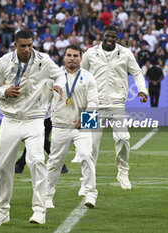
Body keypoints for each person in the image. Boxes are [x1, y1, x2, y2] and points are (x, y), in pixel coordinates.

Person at [0, 30, 65, 226]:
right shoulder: (4, 61)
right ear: (15, 45)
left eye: (30, 45)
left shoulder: (43, 60)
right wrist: (4, 91)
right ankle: (2, 210)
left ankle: (39, 210)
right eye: (23, 46)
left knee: (36, 161)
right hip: (11, 119)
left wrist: (59, 86)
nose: (27, 49)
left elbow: (60, 75)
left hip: (35, 119)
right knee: (3, 166)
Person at [81, 25, 147, 191]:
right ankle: (86, 180)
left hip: (116, 103)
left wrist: (141, 89)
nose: (110, 40)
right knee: (90, 145)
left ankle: (123, 171)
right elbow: (80, 75)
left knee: (123, 137)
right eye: (107, 37)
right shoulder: (90, 53)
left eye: (113, 37)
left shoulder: (125, 53)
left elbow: (137, 73)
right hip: (92, 104)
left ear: (117, 39)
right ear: (101, 36)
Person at [46, 44, 99, 209]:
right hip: (60, 125)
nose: (72, 59)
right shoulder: (55, 76)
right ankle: (47, 196)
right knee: (55, 162)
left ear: (81, 58)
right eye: (69, 55)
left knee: (86, 156)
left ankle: (90, 193)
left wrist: (84, 119)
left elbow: (94, 102)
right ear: (64, 57)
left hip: (81, 126)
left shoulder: (88, 77)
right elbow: (44, 99)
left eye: (76, 56)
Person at [14, 108, 69, 174]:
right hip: (35, 118)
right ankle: (19, 165)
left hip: (46, 117)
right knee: (34, 140)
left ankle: (19, 165)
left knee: (43, 141)